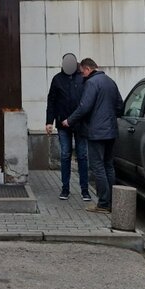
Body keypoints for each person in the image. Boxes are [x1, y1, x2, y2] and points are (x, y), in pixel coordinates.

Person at [63, 57, 122, 213]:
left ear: (88, 69)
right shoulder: (110, 82)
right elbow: (120, 106)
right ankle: (112, 202)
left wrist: (69, 120)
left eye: (82, 72)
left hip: (97, 132)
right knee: (109, 166)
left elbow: (84, 107)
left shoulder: (91, 83)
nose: (82, 75)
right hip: (111, 130)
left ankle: (103, 203)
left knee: (98, 167)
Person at [45, 52, 91, 202]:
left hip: (80, 123)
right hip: (62, 123)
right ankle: (65, 188)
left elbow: (88, 99)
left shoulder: (82, 78)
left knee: (82, 156)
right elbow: (51, 101)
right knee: (65, 155)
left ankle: (85, 190)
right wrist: (49, 121)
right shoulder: (57, 79)